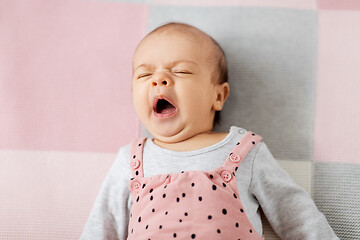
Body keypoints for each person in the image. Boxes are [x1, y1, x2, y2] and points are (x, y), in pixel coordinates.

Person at [80, 22, 338, 240]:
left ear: (218, 95)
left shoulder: (244, 151)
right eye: (144, 74)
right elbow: (101, 228)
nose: (159, 79)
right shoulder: (131, 159)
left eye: (180, 71)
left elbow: (298, 216)